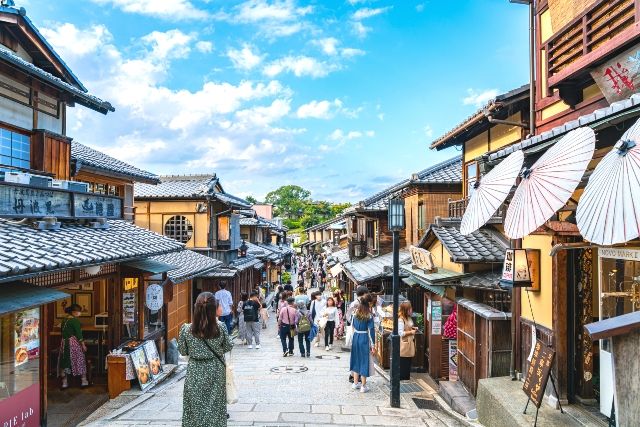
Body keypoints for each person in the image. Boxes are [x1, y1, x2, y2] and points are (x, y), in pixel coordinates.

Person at [178, 292, 233, 427]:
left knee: (195, 406)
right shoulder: (220, 327)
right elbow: (227, 347)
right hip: (215, 370)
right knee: (215, 406)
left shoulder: (186, 329)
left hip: (195, 370)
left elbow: (183, 351)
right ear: (213, 308)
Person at [349, 294, 375, 393]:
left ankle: (355, 383)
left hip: (356, 337)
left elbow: (352, 326)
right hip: (364, 337)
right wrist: (373, 346)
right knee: (364, 360)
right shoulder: (369, 315)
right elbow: (371, 330)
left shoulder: (355, 313)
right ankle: (363, 386)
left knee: (356, 359)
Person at [58, 304, 88, 388]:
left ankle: (64, 382)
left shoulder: (64, 320)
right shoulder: (75, 321)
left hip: (64, 343)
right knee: (79, 359)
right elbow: (79, 334)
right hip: (73, 343)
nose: (80, 313)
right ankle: (84, 380)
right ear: (74, 312)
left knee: (65, 362)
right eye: (79, 311)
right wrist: (83, 345)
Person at [398, 301, 418, 380]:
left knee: (408, 361)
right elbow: (400, 333)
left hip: (409, 342)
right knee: (404, 361)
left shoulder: (408, 317)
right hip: (404, 343)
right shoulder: (401, 320)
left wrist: (413, 328)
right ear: (406, 310)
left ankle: (406, 377)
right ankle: (403, 378)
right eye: (410, 309)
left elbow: (408, 326)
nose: (411, 310)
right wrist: (411, 332)